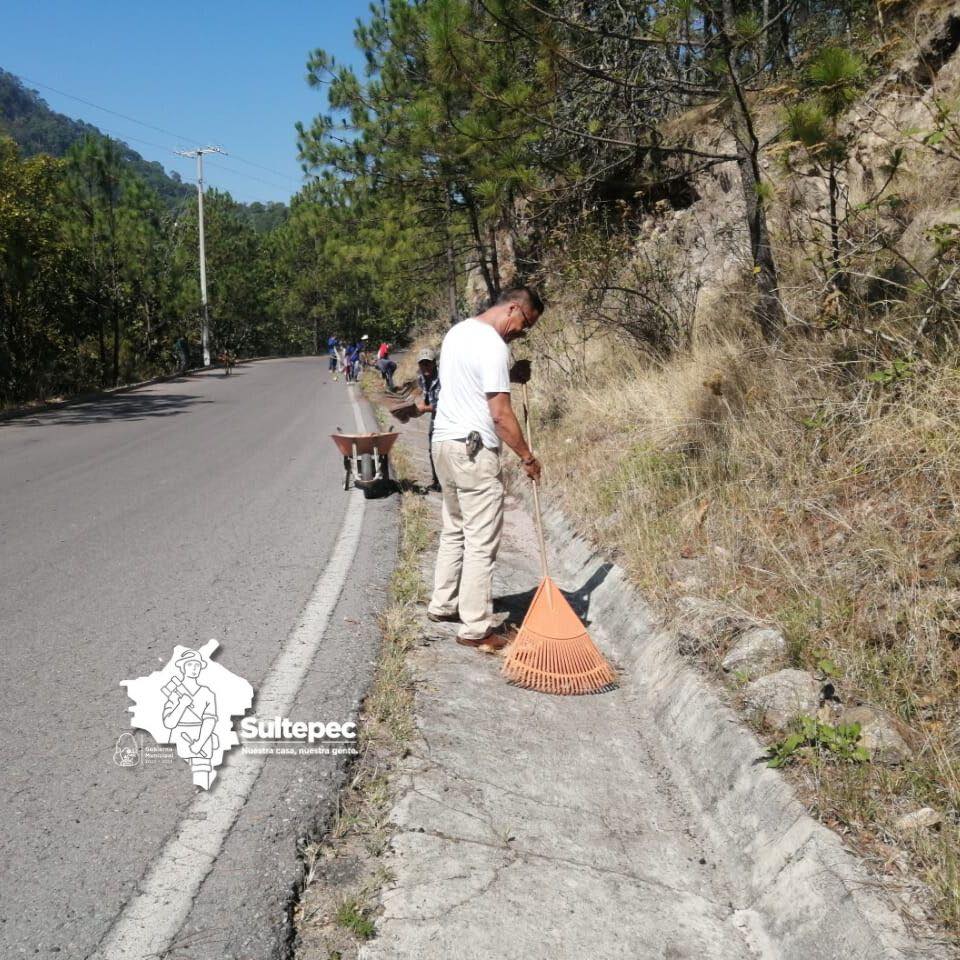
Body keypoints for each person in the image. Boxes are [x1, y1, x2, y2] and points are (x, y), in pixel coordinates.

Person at [427, 286, 544, 646]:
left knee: (455, 527)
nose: (522, 332)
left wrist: (510, 377)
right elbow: (499, 414)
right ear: (513, 308)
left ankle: (443, 603)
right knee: (481, 540)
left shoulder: (458, 332)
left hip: (443, 444)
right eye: (525, 324)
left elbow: (468, 385)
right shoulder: (493, 345)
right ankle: (476, 627)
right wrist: (527, 456)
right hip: (473, 451)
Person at [415, 348, 441, 491]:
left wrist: (425, 408)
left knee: (444, 450)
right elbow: (424, 398)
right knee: (432, 450)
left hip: (448, 417)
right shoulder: (421, 378)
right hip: (434, 417)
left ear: (434, 363)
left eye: (428, 363)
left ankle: (447, 481)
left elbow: (444, 404)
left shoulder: (443, 378)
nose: (425, 367)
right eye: (422, 364)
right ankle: (436, 481)